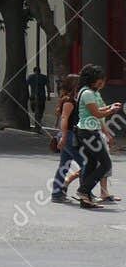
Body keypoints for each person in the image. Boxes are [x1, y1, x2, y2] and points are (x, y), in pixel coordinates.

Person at [73, 64, 121, 208]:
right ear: (92, 80)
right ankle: (83, 190)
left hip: (87, 131)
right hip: (88, 132)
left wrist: (109, 106)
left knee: (92, 163)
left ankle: (86, 199)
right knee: (106, 163)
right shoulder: (87, 93)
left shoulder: (88, 92)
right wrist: (111, 111)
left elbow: (95, 110)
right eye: (99, 80)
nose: (102, 83)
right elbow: (96, 114)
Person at [52, 73, 82, 203]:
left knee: (64, 165)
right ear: (74, 85)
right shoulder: (69, 101)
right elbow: (64, 118)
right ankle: (85, 192)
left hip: (67, 135)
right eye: (79, 83)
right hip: (68, 135)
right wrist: (63, 137)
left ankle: (57, 193)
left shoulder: (68, 99)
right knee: (86, 164)